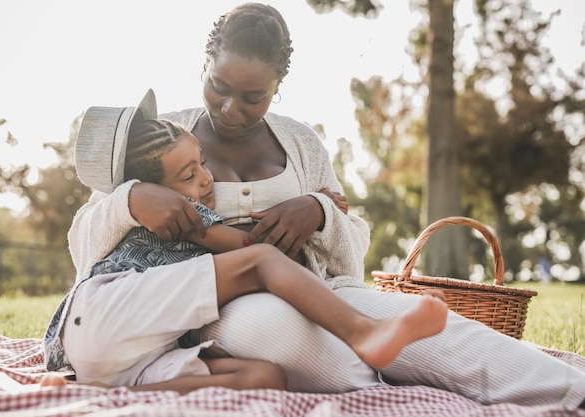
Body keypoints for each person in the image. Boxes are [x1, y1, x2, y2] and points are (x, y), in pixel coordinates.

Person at [65, 2, 585, 409]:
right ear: (204, 63)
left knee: (446, 329)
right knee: (283, 332)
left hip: (321, 290)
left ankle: (568, 389)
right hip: (213, 307)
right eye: (218, 86)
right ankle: (383, 384)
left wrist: (317, 211)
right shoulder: (159, 139)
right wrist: (131, 200)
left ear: (277, 88)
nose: (230, 109)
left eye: (254, 97)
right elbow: (86, 245)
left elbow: (353, 243)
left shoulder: (301, 144)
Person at [44, 94, 448, 393]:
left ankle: (97, 396)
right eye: (188, 175)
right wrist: (318, 208)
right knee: (260, 263)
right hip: (106, 314)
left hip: (119, 360)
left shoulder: (168, 203)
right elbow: (255, 249)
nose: (205, 179)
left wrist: (319, 205)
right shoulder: (178, 213)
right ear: (151, 188)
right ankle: (363, 333)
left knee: (265, 378)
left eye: (201, 162)